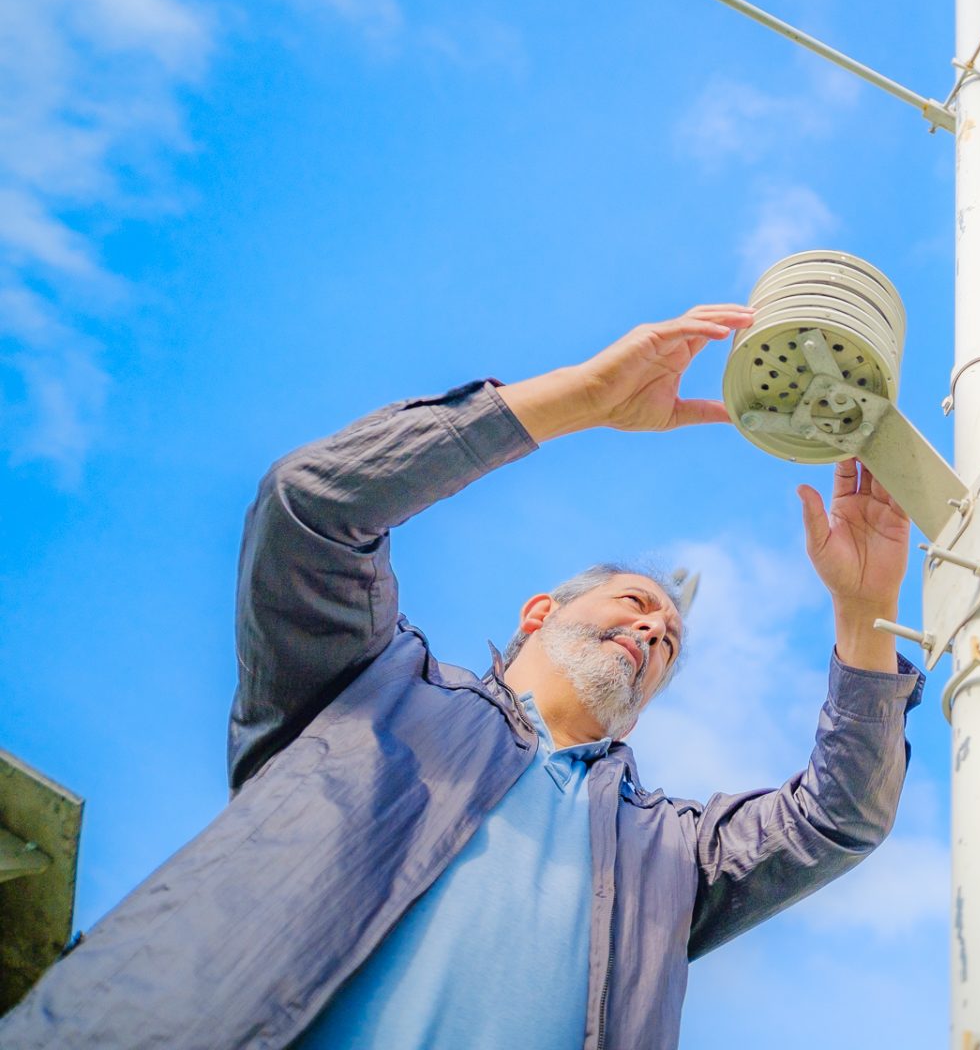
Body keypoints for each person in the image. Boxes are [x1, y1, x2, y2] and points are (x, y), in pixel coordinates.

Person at [1, 304, 925, 1049]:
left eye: (671, 641)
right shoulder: (372, 686)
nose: (654, 630)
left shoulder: (673, 854)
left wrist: (863, 613)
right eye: (636, 604)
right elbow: (312, 508)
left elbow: (839, 819)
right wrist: (577, 400)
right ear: (539, 613)